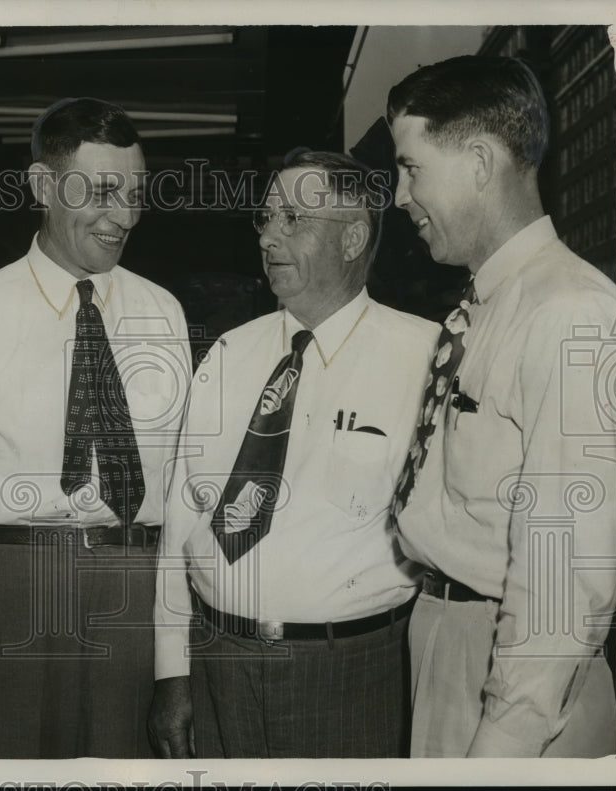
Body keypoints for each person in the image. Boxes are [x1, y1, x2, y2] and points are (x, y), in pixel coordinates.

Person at [149, 150, 439, 758]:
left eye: (294, 219)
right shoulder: (229, 353)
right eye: (266, 218)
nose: (270, 237)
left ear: (354, 236)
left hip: (352, 671)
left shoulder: (425, 357)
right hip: (218, 661)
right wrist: (171, 670)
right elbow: (182, 518)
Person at [0, 97, 190, 758]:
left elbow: (181, 498)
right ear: (44, 186)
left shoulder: (164, 312)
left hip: (132, 580)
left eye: (134, 193)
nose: (124, 216)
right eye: (102, 192)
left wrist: (172, 656)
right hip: (9, 580)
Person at [387, 55, 616, 757]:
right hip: (448, 637)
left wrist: (505, 742)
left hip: (514, 676)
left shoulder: (571, 312)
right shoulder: (483, 305)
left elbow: (565, 577)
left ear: (480, 162)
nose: (399, 196)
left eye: (411, 168)